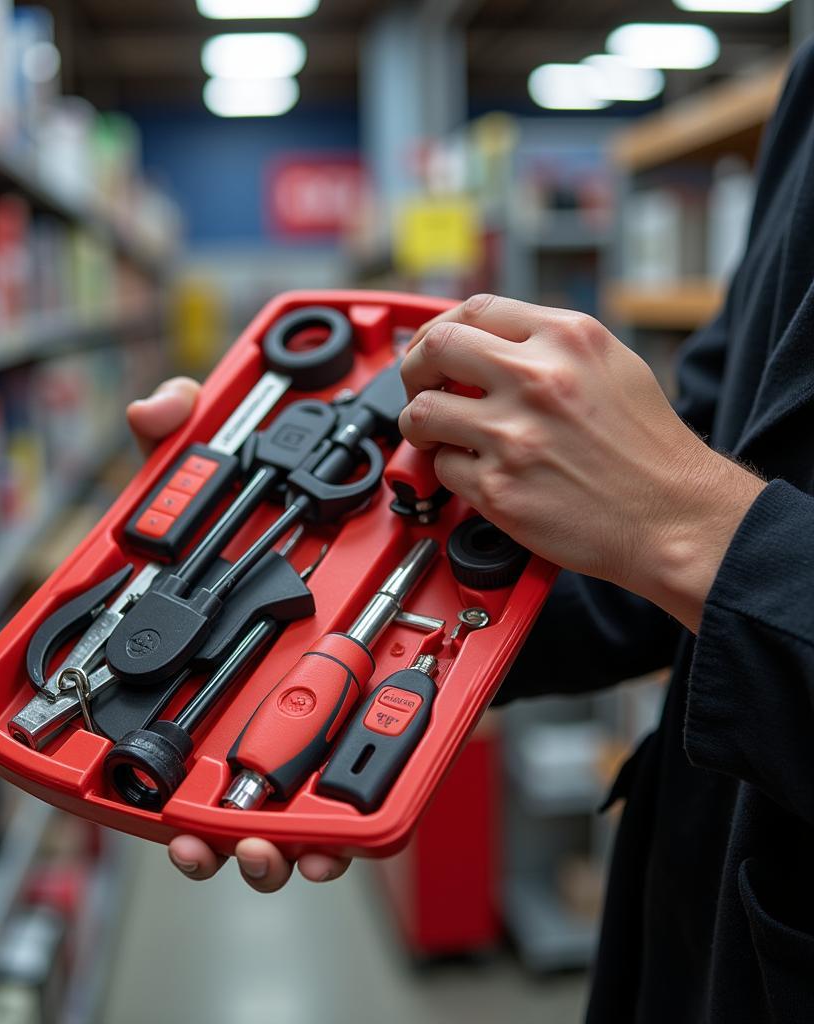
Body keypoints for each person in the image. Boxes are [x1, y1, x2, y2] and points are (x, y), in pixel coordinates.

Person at [127, 40, 814, 1024]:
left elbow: (689, 504)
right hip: (699, 911)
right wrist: (295, 591)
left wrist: (688, 523)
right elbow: (717, 450)